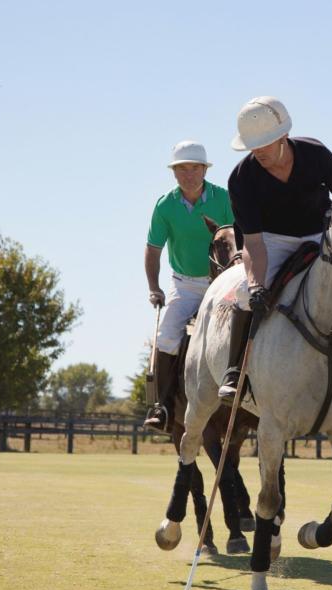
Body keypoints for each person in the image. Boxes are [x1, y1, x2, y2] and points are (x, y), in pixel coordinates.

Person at [218, 96, 332, 406]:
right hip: (271, 242)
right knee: (242, 293)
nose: (258, 151)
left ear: (283, 136)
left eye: (264, 142)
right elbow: (253, 243)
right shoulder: (241, 178)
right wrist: (256, 284)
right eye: (252, 145)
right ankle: (235, 373)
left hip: (320, 238)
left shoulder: (315, 155)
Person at [143, 140, 234, 432]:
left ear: (205, 169)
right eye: (182, 168)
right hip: (185, 286)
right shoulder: (165, 206)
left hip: (223, 283)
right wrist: (153, 287)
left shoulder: (225, 199)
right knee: (166, 336)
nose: (188, 174)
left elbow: (242, 240)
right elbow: (153, 249)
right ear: (174, 172)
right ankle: (162, 406)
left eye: (194, 167)